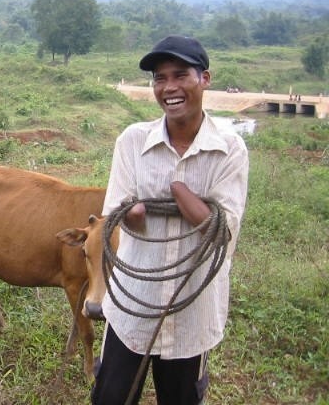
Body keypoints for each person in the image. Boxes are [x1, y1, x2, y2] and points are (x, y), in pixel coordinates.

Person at [92, 35, 249, 404]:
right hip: (133, 308)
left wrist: (178, 190)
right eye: (160, 78)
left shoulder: (229, 149)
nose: (170, 87)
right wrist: (133, 213)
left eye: (181, 75)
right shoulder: (132, 141)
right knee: (110, 397)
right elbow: (116, 213)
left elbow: (221, 229)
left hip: (194, 310)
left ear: (204, 79)